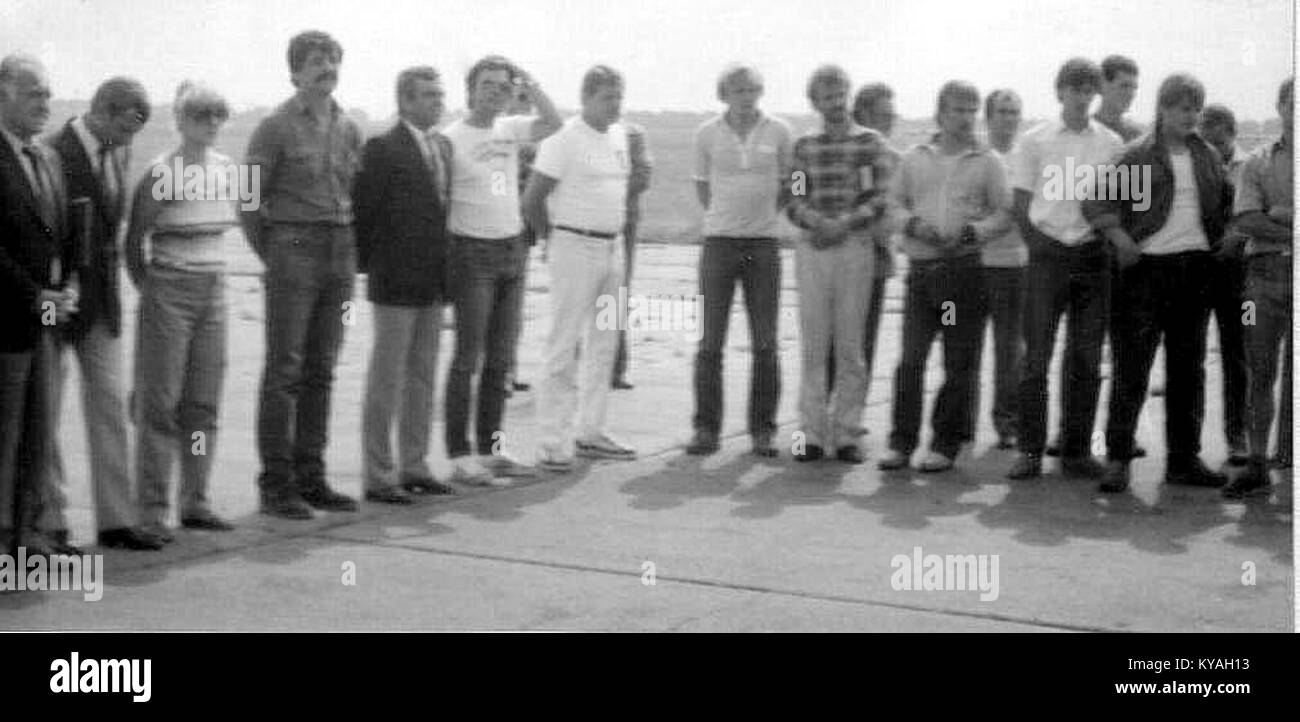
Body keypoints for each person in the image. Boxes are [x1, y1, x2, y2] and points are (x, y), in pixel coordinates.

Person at [1082, 73, 1232, 493]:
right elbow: (1095, 201)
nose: (1191, 115)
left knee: (1189, 372)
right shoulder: (1137, 156)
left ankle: (1183, 461)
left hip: (1195, 271)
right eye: (1183, 107)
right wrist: (1120, 238)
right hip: (1146, 273)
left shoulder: (1207, 156)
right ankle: (1117, 459)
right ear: (1163, 108)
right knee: (1132, 368)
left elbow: (1225, 202)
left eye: (1196, 108)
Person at [242, 30, 362, 519]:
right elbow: (249, 200)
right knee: (284, 369)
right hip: (293, 247)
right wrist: (274, 253)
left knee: (323, 369)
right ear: (294, 71)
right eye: (316, 61)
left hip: (340, 249)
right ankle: (276, 484)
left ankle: (312, 476)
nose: (326, 68)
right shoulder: (273, 127)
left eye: (332, 59)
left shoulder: (348, 127)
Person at [46, 76, 164, 550]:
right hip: (57, 301)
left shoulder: (118, 151)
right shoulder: (54, 151)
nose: (130, 139)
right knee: (48, 413)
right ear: (103, 110)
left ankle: (116, 519)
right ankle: (50, 520)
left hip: (102, 303)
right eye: (127, 127)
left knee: (111, 407)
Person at [123, 81, 240, 537]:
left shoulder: (231, 169)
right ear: (180, 120)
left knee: (203, 404)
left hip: (215, 289)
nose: (210, 124)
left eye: (217, 115)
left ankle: (196, 500)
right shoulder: (160, 171)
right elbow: (134, 239)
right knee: (160, 404)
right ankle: (151, 512)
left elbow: (248, 218)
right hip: (169, 288)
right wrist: (151, 290)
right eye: (200, 115)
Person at [877, 81, 1010, 472]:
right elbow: (892, 204)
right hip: (922, 277)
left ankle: (944, 444)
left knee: (957, 362)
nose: (966, 118)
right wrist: (913, 226)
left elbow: (1004, 212)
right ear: (940, 113)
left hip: (961, 280)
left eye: (971, 110)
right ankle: (901, 443)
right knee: (911, 360)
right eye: (957, 110)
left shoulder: (987, 161)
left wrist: (974, 232)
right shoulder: (914, 158)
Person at [442, 55, 561, 485]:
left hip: (512, 250)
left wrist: (530, 83)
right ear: (470, 89)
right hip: (471, 253)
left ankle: (492, 448)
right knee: (467, 358)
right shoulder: (450, 138)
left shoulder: (509, 129)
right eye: (487, 85)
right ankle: (459, 454)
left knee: (501, 360)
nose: (495, 92)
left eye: (502, 86)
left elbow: (554, 124)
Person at [1007, 58, 1123, 480]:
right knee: (1035, 357)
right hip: (1047, 258)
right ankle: (1029, 451)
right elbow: (1019, 205)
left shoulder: (1111, 144)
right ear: (1059, 92)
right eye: (1074, 88)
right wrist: (1041, 247)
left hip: (1092, 259)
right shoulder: (1034, 141)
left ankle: (1075, 451)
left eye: (1089, 89)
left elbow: (1120, 202)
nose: (1082, 96)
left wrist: (1107, 243)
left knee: (1087, 359)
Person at [353, 66, 459, 505]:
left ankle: (414, 465)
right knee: (387, 379)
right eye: (428, 95)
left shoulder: (443, 147)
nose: (438, 101)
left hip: (433, 282)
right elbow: (364, 214)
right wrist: (375, 268)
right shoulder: (381, 148)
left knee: (422, 377)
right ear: (406, 101)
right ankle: (379, 475)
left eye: (440, 94)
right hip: (395, 280)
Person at [524, 65, 638, 470]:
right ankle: (552, 442)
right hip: (575, 247)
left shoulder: (620, 136)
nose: (616, 106)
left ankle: (590, 431)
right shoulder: (563, 140)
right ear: (586, 97)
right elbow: (532, 200)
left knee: (604, 341)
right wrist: (551, 240)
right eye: (608, 97)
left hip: (613, 250)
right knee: (564, 343)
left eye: (619, 97)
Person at [785, 65, 893, 464]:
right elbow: (793, 198)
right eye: (826, 97)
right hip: (813, 249)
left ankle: (848, 432)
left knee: (850, 345)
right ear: (815, 102)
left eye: (840, 95)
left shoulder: (868, 142)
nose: (835, 103)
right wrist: (816, 223)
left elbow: (878, 198)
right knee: (814, 345)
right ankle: (810, 434)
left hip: (854, 246)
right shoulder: (804, 146)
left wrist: (843, 224)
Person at [685, 63, 792, 457]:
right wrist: (725, 218)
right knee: (710, 341)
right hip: (719, 246)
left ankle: (763, 430)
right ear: (724, 94)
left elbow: (793, 182)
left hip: (763, 246)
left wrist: (767, 214)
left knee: (765, 342)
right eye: (738, 90)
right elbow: (701, 185)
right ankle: (705, 429)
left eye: (752, 90)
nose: (747, 98)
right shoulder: (706, 134)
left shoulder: (779, 131)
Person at [0, 54, 74, 557]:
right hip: (4, 320)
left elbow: (61, 234)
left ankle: (27, 541)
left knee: (38, 433)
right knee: (2, 438)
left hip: (47, 318)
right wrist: (34, 294)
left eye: (48, 94)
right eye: (33, 94)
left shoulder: (47, 158)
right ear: (2, 95)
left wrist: (68, 284)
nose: (44, 104)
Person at [1221, 77, 1294, 499]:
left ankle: (1289, 459)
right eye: (1291, 102)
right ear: (1280, 106)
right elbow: (1246, 220)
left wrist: (1281, 216)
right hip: (1262, 278)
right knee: (1259, 371)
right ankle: (1256, 463)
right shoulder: (1258, 162)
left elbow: (1261, 218)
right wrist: (1287, 223)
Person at [968, 88, 1026, 450]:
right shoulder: (973, 157)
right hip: (973, 265)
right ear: (988, 117)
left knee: (1010, 349)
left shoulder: (1026, 157)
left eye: (1015, 112)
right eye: (1002, 111)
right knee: (966, 346)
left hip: (1014, 266)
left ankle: (1007, 423)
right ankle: (962, 425)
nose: (1009, 118)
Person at [1197, 103, 1250, 468]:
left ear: (1232, 132)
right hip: (1201, 273)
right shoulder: (1199, 165)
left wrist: (1237, 234)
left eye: (1219, 141)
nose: (1213, 149)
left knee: (1239, 356)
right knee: (1193, 356)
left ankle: (1238, 437)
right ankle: (1191, 442)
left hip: (1243, 279)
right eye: (1206, 141)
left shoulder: (1252, 166)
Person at [610, 122, 653, 390]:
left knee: (617, 294)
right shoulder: (578, 133)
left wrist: (606, 194)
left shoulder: (633, 134)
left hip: (622, 221)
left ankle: (616, 367)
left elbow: (643, 174)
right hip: (587, 222)